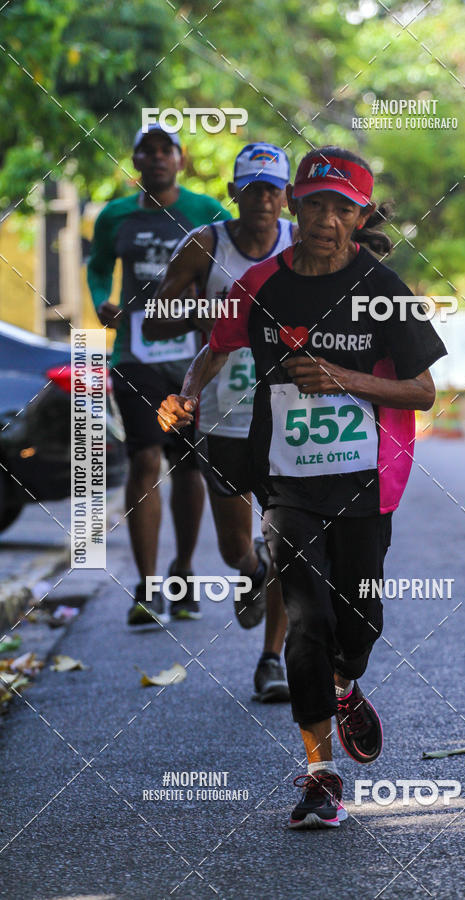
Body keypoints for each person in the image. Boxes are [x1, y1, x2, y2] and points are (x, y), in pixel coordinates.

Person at [157, 146, 447, 828]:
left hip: (366, 479)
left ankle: (345, 686)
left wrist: (344, 378)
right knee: (308, 620)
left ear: (361, 217)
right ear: (294, 205)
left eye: (342, 208)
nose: (326, 220)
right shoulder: (261, 284)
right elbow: (215, 348)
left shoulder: (383, 289)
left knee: (359, 623)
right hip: (286, 481)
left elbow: (424, 391)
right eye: (315, 205)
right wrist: (187, 393)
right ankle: (320, 775)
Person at [144, 143, 294, 701]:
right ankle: (250, 568)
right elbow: (155, 321)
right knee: (236, 546)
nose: (262, 200)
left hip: (288, 415)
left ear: (286, 196)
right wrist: (208, 313)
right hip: (224, 414)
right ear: (233, 193)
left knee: (289, 540)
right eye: (252, 189)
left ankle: (272, 660)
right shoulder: (205, 245)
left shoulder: (301, 242)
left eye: (272, 190)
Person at [87, 123, 231, 626]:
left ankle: (183, 573)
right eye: (145, 151)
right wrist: (101, 299)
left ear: (180, 159)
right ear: (136, 162)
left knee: (188, 466)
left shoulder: (206, 211)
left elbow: (237, 258)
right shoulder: (115, 216)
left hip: (194, 355)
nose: (155, 158)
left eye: (164, 150)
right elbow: (98, 265)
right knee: (145, 457)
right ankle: (147, 587)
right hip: (136, 352)